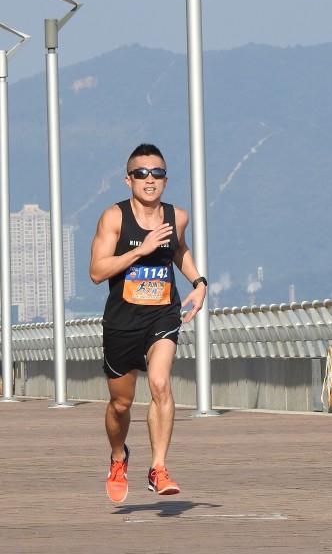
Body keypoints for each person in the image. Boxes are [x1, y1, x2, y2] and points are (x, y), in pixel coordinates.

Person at [89, 143, 207, 503]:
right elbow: (97, 272)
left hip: (162, 313)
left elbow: (179, 250)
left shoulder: (177, 217)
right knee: (120, 404)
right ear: (129, 180)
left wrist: (199, 282)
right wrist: (140, 250)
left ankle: (158, 468)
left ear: (166, 179)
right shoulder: (114, 218)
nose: (149, 179)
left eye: (157, 173)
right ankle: (118, 457)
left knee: (160, 383)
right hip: (122, 320)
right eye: (141, 173)